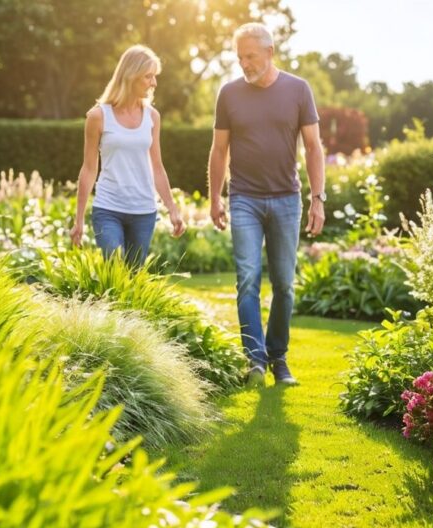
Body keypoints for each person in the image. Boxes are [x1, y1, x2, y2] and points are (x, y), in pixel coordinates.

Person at [208, 23, 326, 387]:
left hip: (286, 200)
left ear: (270, 52)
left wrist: (317, 198)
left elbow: (313, 147)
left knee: (284, 284)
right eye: (240, 57)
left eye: (250, 56)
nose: (244, 63)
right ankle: (254, 360)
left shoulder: (298, 89)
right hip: (243, 198)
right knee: (247, 280)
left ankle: (278, 358)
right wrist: (215, 196)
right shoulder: (229, 94)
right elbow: (219, 149)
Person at [70, 45, 185, 266]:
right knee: (114, 266)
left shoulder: (153, 116)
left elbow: (157, 166)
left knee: (133, 277)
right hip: (108, 207)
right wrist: (79, 219)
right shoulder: (98, 116)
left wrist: (173, 209)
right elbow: (89, 168)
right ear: (131, 76)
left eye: (154, 76)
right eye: (148, 77)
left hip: (143, 210)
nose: (154, 83)